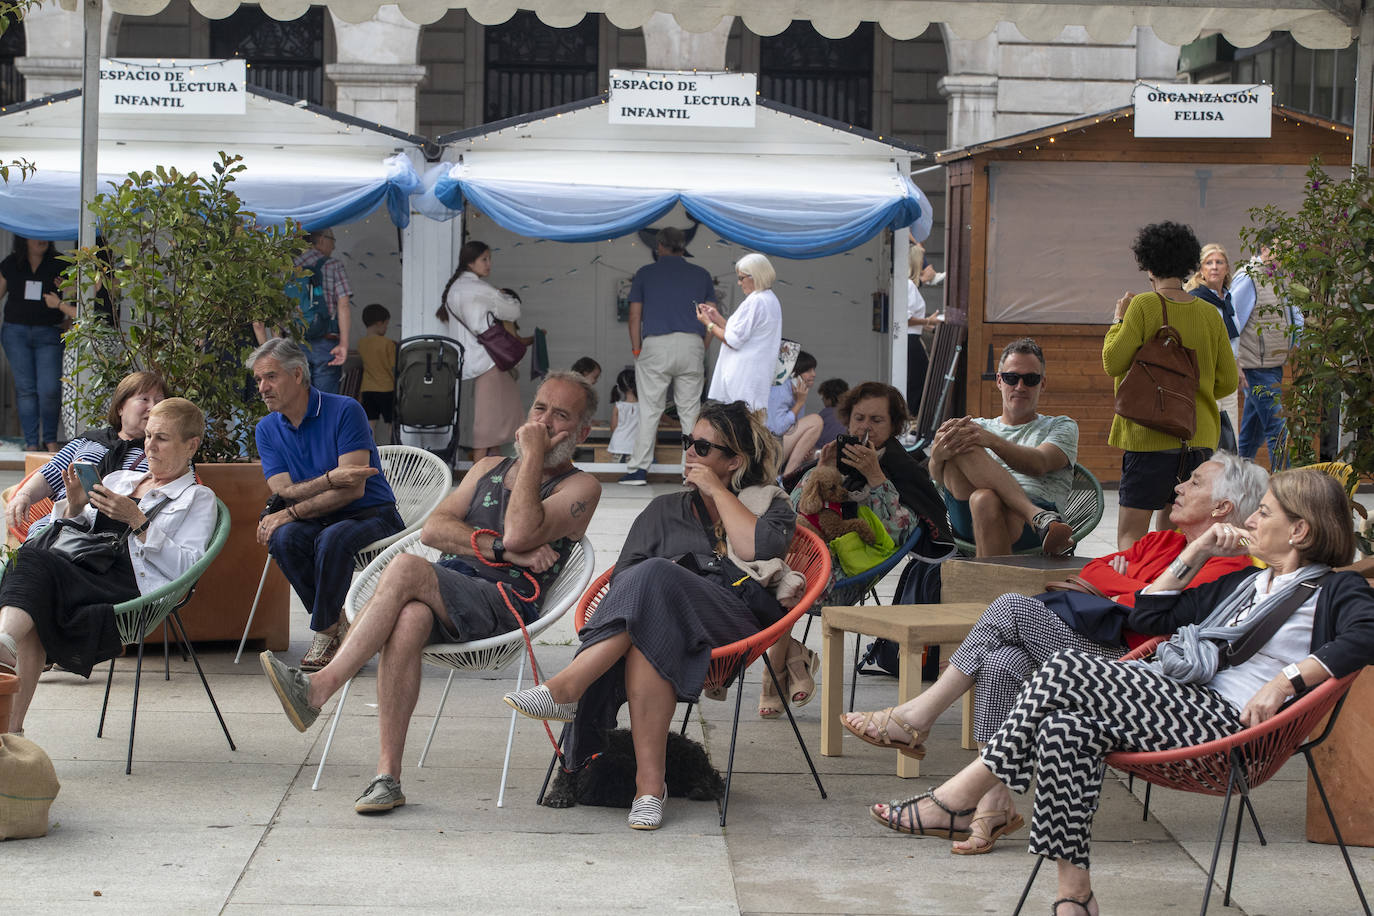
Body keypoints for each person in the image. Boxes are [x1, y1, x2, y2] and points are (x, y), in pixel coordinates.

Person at [868, 468, 1374, 916]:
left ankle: (958, 798)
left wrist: (1288, 679)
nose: (1253, 521)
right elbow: (1151, 616)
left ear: (1300, 530)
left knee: (1066, 668)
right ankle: (1075, 896)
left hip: (1228, 726)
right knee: (1068, 729)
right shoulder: (1244, 585)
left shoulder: (1333, 589)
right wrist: (1196, 551)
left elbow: (1365, 635)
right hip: (1176, 704)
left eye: (1264, 513)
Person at [843, 452, 1265, 854]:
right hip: (1096, 642)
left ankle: (916, 718)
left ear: (1222, 509)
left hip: (1129, 672)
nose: (1179, 486)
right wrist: (1125, 588)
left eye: (1194, 482)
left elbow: (1147, 614)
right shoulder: (1164, 544)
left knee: (1010, 607)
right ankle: (993, 806)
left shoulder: (1226, 566)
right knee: (1001, 660)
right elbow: (1090, 572)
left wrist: (1123, 587)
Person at [258, 371, 602, 814]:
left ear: (583, 431)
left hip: (504, 607)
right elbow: (436, 528)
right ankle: (387, 778)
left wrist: (532, 457)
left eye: (561, 416)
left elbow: (520, 531)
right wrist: (497, 547)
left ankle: (320, 687)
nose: (545, 422)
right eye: (540, 409)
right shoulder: (486, 469)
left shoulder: (581, 487)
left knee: (406, 566)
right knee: (409, 619)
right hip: (449, 592)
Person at [503, 400, 798, 830]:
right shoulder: (662, 511)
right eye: (686, 442)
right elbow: (623, 584)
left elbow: (759, 550)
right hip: (661, 630)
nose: (690, 454)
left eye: (703, 447)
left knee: (657, 573)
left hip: (731, 619)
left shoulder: (770, 502)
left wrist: (717, 491)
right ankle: (648, 788)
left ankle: (569, 686)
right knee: (649, 618)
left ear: (735, 461)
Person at [0, 398, 218, 736]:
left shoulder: (197, 499)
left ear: (191, 445)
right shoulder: (120, 478)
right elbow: (76, 531)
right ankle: (11, 731)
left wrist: (139, 521)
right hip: (83, 570)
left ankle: (3, 647)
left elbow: (187, 568)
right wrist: (74, 504)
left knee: (33, 566)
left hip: (127, 583)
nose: (150, 446)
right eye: (147, 436)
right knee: (32, 580)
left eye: (161, 438)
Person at [777, 382, 949, 718]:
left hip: (845, 575)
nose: (865, 428)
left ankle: (781, 670)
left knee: (768, 584)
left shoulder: (902, 468)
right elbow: (792, 515)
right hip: (805, 560)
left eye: (876, 420)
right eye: (858, 418)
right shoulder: (836, 458)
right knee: (756, 570)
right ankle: (791, 660)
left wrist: (875, 476)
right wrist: (819, 471)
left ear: (894, 425)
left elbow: (898, 535)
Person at [248, 337, 404, 671]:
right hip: (322, 517)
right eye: (259, 380)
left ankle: (323, 631)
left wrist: (292, 510)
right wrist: (330, 479)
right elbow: (284, 489)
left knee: (331, 539)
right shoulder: (266, 428)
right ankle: (337, 624)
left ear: (298, 375)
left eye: (270, 377)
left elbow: (354, 490)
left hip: (372, 514)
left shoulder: (345, 410)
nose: (262, 387)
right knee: (283, 538)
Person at [1104, 221, 1238, 551]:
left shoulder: (1143, 306)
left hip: (1148, 437)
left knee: (1131, 538)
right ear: (1188, 263)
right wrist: (1193, 396)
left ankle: (1128, 599)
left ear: (1148, 263)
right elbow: (1228, 381)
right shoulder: (1209, 314)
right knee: (1176, 538)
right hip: (1197, 439)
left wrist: (1118, 321)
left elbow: (1113, 362)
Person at [931, 338, 1078, 556]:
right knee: (961, 441)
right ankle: (1038, 517)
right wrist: (937, 455)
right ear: (999, 381)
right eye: (1011, 378)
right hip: (972, 514)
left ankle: (992, 588)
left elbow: (1039, 463)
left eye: (1030, 379)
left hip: (1025, 527)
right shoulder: (978, 427)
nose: (1020, 386)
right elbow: (938, 477)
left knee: (984, 500)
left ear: (1042, 383)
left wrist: (991, 441)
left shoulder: (1061, 425)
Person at [5, 371, 166, 537]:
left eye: (160, 401)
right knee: (39, 537)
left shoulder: (163, 452)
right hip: (64, 520)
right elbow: (50, 474)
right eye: (144, 399)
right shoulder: (88, 441)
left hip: (118, 536)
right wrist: (24, 495)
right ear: (120, 407)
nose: (153, 407)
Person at [619, 227, 716, 486]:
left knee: (650, 409)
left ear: (660, 246)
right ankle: (693, 469)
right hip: (692, 343)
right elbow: (711, 317)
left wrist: (637, 349)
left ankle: (639, 470)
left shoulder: (645, 273)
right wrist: (701, 346)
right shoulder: (702, 274)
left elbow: (634, 316)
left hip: (655, 344)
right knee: (690, 412)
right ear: (683, 247)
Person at [436, 241, 523, 460]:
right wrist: (505, 296)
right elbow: (513, 311)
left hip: (467, 362)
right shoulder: (479, 289)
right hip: (488, 360)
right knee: (490, 421)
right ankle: (479, 475)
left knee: (489, 419)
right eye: (484, 259)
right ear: (470, 262)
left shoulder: (455, 289)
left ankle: (492, 471)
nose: (489, 264)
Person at [1229, 229, 1302, 463]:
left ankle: (1238, 479)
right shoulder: (1249, 277)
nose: (1288, 254)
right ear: (1264, 249)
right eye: (1284, 248)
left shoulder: (1277, 276)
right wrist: (1235, 362)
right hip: (1256, 368)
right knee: (1277, 428)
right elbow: (1232, 322)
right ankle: (1284, 489)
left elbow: (1292, 315)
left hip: (1272, 365)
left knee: (1253, 432)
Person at [0, 237, 67, 450]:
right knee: (26, 389)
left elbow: (77, 297)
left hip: (49, 333)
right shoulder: (11, 263)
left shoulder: (60, 264)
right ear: (24, 237)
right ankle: (31, 444)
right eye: (35, 234)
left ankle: (50, 441)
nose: (42, 239)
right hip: (15, 333)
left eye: (45, 234)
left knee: (49, 388)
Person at [699, 253, 783, 412]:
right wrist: (716, 318)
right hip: (754, 377)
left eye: (741, 278)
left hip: (743, 378)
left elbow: (732, 340)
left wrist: (708, 324)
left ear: (755, 276)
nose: (739, 283)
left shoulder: (756, 301)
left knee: (741, 424)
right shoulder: (769, 299)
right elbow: (740, 333)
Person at [1186, 242, 1241, 448]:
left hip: (1228, 375)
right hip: (1207, 375)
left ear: (1227, 267)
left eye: (1219, 262)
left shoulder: (1228, 298)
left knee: (1230, 434)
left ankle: (1229, 478)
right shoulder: (1196, 299)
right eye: (1209, 263)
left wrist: (1238, 366)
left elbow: (1233, 339)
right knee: (1209, 434)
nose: (1215, 267)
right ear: (1201, 270)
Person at [294, 229, 352, 395]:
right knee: (325, 402)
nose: (334, 246)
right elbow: (344, 305)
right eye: (332, 240)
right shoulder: (333, 265)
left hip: (295, 343)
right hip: (326, 343)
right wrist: (344, 344)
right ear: (320, 240)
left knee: (298, 399)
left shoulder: (289, 267)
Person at [767, 350, 823, 477]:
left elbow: (795, 427)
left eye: (813, 369)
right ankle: (787, 478)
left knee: (817, 453)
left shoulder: (797, 391)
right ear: (794, 373)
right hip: (768, 448)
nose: (813, 374)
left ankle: (786, 476)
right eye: (808, 370)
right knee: (816, 421)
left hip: (779, 448)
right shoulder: (780, 389)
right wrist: (799, 403)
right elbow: (778, 429)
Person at [905, 242, 939, 412]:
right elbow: (907, 318)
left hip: (911, 338)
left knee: (915, 380)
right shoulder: (909, 286)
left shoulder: (907, 285)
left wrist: (928, 325)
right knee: (918, 381)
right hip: (911, 340)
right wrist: (928, 321)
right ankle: (912, 416)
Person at [357, 303, 397, 443]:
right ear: (380, 323)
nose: (386, 328)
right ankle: (394, 449)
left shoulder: (361, 343)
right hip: (387, 388)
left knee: (370, 423)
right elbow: (394, 367)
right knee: (391, 422)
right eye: (386, 325)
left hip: (367, 388)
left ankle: (371, 450)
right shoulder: (388, 343)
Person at [607, 368, 639, 463]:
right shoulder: (644, 407)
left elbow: (613, 428)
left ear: (620, 387)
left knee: (616, 470)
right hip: (636, 446)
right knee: (632, 470)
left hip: (618, 445)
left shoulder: (618, 406)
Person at [813, 378, 849, 451]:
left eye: (824, 396)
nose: (822, 399)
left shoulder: (824, 415)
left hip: (823, 454)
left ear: (831, 397)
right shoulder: (850, 414)